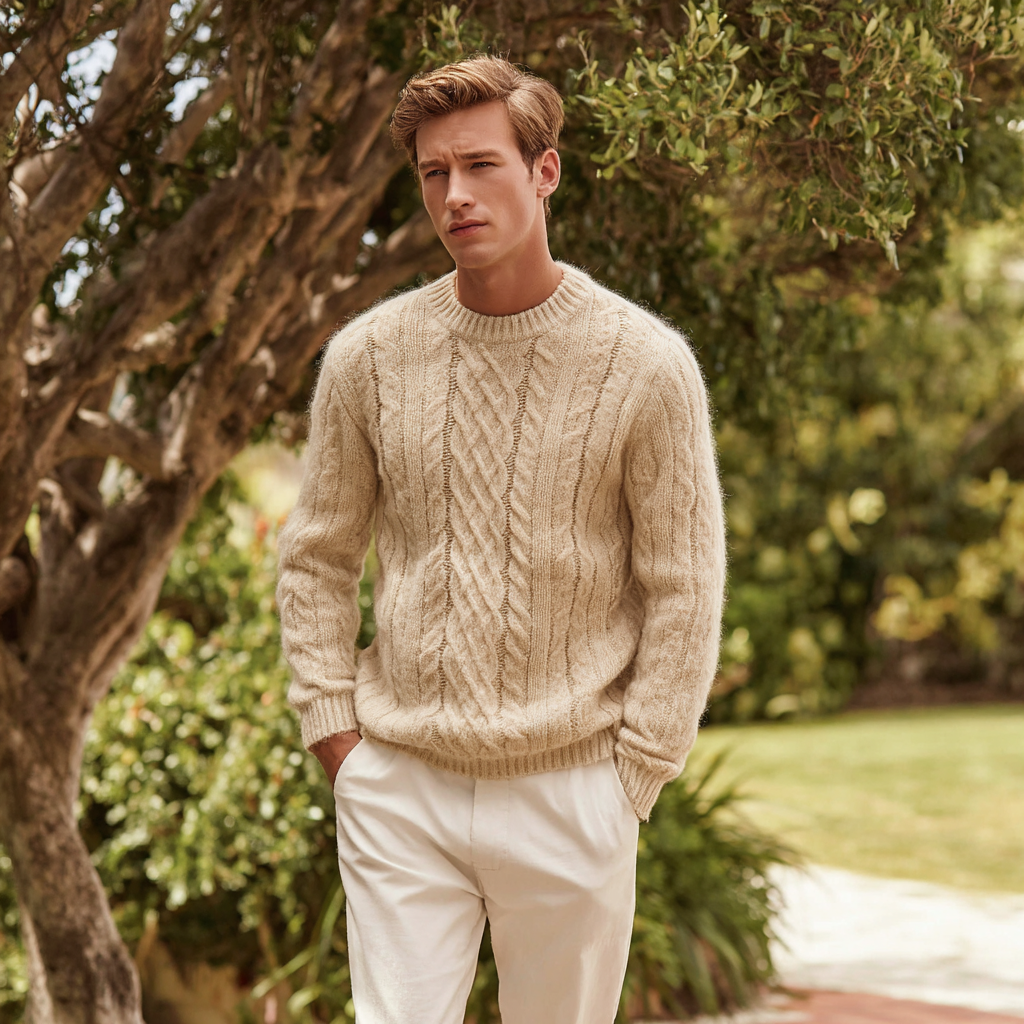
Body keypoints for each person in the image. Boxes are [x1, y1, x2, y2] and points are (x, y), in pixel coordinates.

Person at [276, 53, 726, 1024]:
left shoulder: (646, 366)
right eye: (434, 173)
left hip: (574, 788)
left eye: (480, 164)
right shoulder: (367, 359)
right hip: (400, 784)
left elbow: (684, 584)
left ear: (544, 170)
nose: (455, 195)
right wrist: (337, 737)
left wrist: (634, 774)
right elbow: (317, 556)